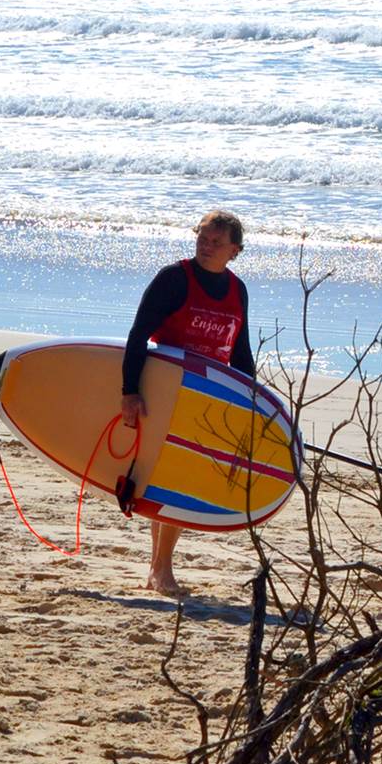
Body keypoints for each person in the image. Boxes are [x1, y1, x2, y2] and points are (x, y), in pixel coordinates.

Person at [117, 210, 255, 597]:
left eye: (216, 242)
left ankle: (157, 567)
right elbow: (138, 334)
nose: (206, 246)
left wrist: (251, 400)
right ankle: (161, 569)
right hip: (164, 391)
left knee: (179, 476)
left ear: (234, 250)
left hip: (208, 397)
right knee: (171, 478)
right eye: (202, 239)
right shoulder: (174, 279)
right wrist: (130, 391)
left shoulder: (238, 290)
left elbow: (240, 351)